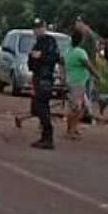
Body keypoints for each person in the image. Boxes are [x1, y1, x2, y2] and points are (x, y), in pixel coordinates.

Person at [26, 19, 61, 150]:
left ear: (44, 28)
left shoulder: (49, 41)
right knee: (36, 107)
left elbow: (55, 57)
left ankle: (48, 137)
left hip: (45, 78)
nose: (37, 30)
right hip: (37, 76)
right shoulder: (37, 43)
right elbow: (31, 62)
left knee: (41, 106)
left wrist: (41, 56)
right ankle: (44, 136)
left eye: (40, 27)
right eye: (35, 28)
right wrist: (34, 57)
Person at [62, 32, 98, 140]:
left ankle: (73, 128)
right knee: (76, 108)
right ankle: (70, 131)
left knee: (81, 107)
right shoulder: (80, 52)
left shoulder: (68, 51)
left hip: (72, 81)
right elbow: (88, 65)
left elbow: (63, 64)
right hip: (77, 83)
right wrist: (96, 75)